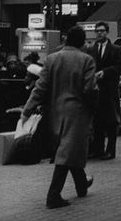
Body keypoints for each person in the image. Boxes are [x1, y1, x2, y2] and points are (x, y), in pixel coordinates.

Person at [20, 25, 98, 209]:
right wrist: (93, 109)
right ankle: (53, 196)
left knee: (68, 149)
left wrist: (27, 110)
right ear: (81, 42)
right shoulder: (87, 60)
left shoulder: (52, 59)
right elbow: (90, 90)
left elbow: (40, 88)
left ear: (65, 40)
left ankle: (82, 185)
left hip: (55, 112)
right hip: (78, 113)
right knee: (67, 153)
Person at [88, 21, 121, 160]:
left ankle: (110, 150)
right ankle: (98, 149)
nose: (99, 33)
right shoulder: (91, 49)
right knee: (97, 122)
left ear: (107, 32)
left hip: (109, 90)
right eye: (97, 31)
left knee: (111, 121)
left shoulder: (115, 49)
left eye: (102, 31)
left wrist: (105, 72)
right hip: (96, 90)